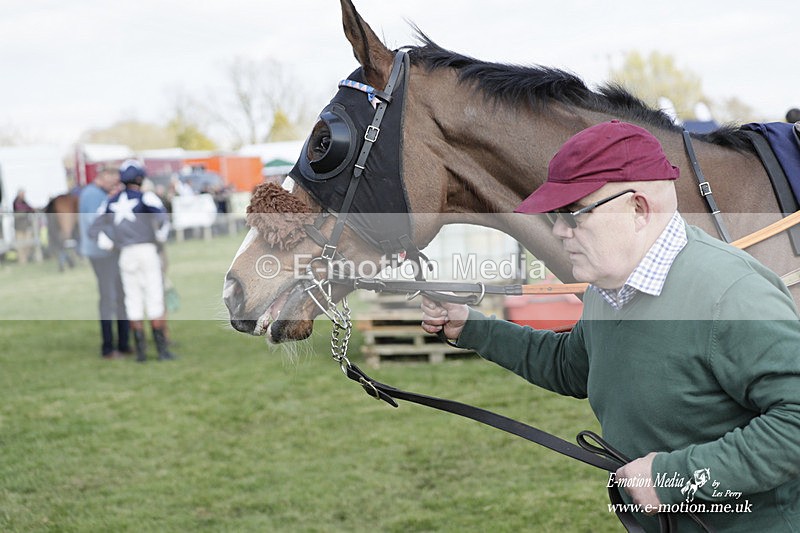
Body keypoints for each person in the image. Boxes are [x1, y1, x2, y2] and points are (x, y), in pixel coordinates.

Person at [421, 121, 800, 532]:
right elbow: (573, 365)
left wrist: (674, 478)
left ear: (638, 209)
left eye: (574, 214)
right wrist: (471, 327)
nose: (560, 231)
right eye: (555, 215)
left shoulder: (731, 293)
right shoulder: (609, 286)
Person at [89, 159, 176, 363]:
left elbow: (93, 228)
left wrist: (109, 244)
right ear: (140, 177)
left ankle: (141, 352)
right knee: (154, 297)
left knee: (132, 299)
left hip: (125, 253)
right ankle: (162, 351)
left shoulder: (111, 201)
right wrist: (160, 238)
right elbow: (163, 220)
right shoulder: (146, 196)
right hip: (146, 250)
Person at [78, 163, 130, 360]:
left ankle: (123, 343)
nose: (115, 182)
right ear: (104, 175)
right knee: (109, 298)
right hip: (102, 254)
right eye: (113, 177)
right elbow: (97, 226)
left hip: (108, 253)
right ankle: (109, 348)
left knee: (118, 297)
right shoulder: (93, 195)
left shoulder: (98, 193)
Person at [12, 189, 35, 263]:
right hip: (19, 227)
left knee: (28, 242)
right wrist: (29, 209)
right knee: (20, 244)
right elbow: (22, 209)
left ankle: (26, 258)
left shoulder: (24, 202)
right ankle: (22, 260)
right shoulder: (16, 202)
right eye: (22, 194)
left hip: (26, 226)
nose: (23, 195)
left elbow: (30, 208)